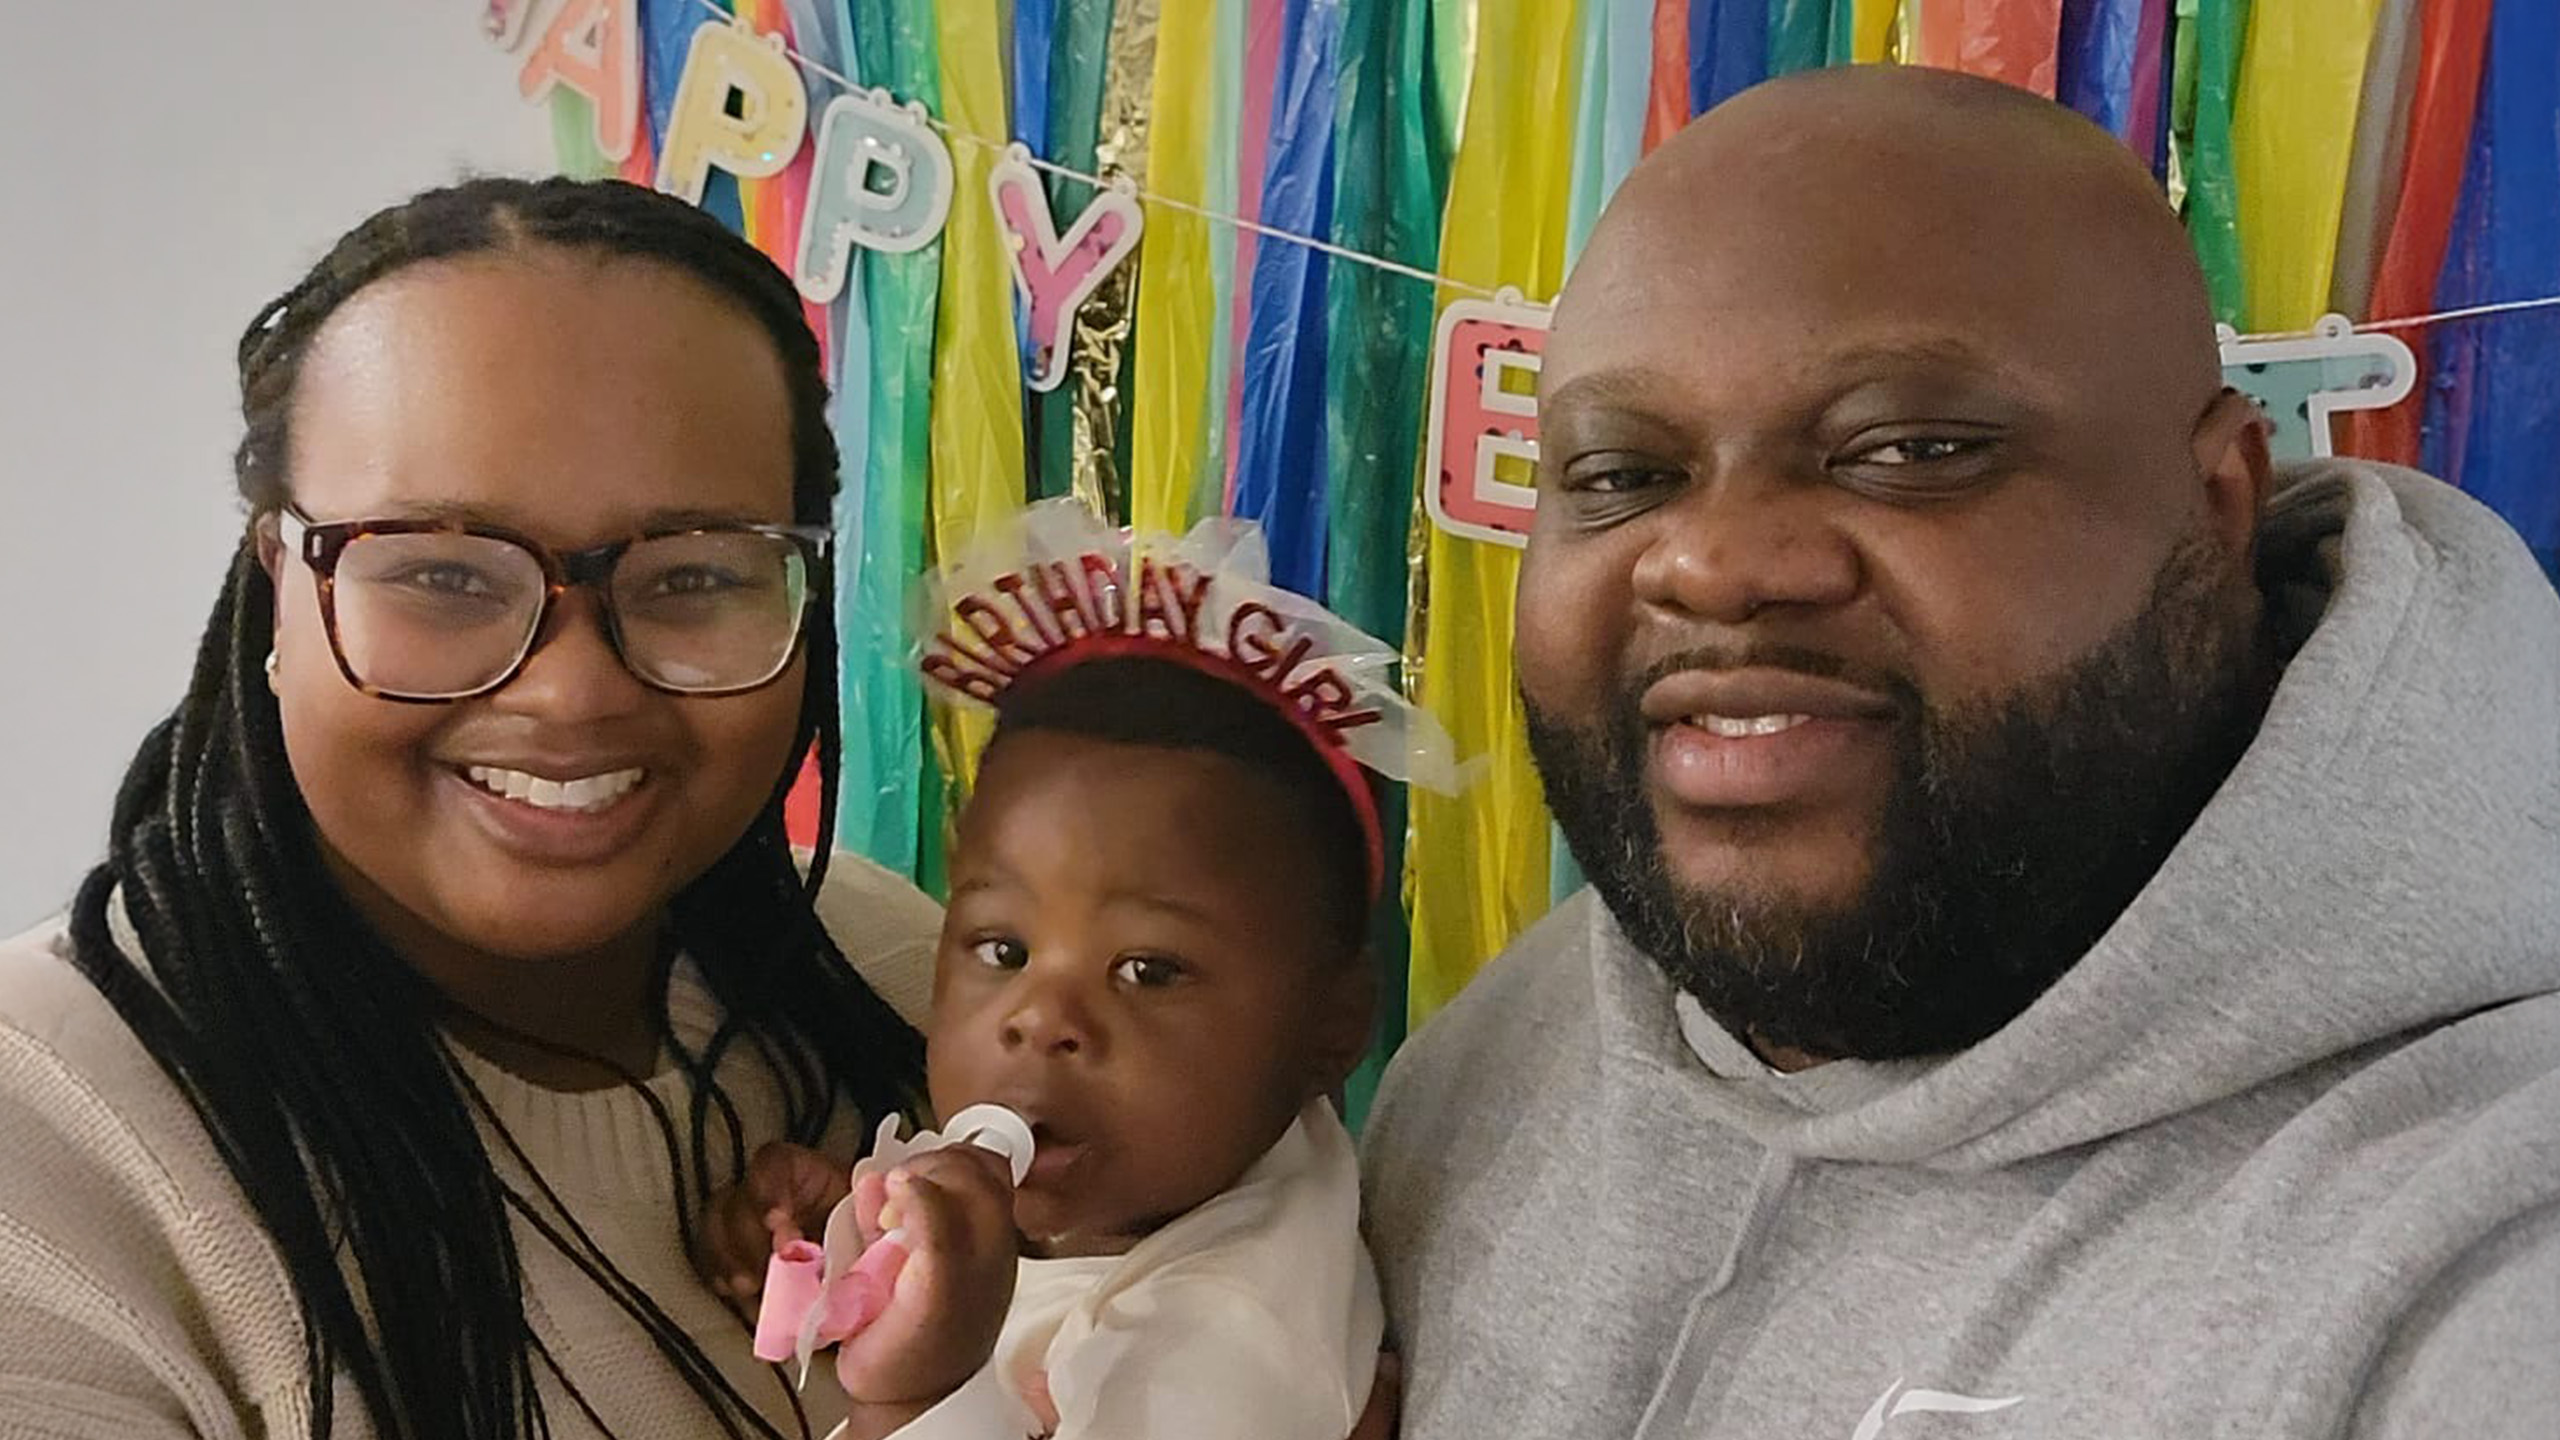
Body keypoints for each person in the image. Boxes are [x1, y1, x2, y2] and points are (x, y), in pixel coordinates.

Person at [1362, 65, 2560, 1440]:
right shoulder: (1504, 1053)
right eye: (1621, 476)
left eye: (1909, 448)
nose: (1712, 564)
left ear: (2216, 500)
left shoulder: (2489, 1253)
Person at [0, 177, 947, 1440]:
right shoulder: (46, 1142)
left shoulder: (907, 977)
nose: (572, 692)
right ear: (277, 586)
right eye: (443, 574)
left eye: (692, 576)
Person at [696, 504, 1434, 1439]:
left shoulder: (1230, 1350)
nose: (1041, 1016)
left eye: (1148, 970)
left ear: (1332, 1027)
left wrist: (924, 1389)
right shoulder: (1158, 1184)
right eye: (1003, 950)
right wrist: (864, 1230)